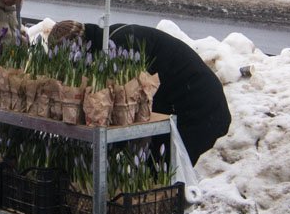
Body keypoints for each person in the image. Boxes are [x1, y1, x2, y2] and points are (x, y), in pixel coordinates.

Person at [47, 21, 230, 165]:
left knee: (166, 172)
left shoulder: (119, 46)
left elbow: (128, 105)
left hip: (200, 108)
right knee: (156, 166)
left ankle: (170, 210)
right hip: (178, 103)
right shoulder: (107, 41)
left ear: (78, 48)